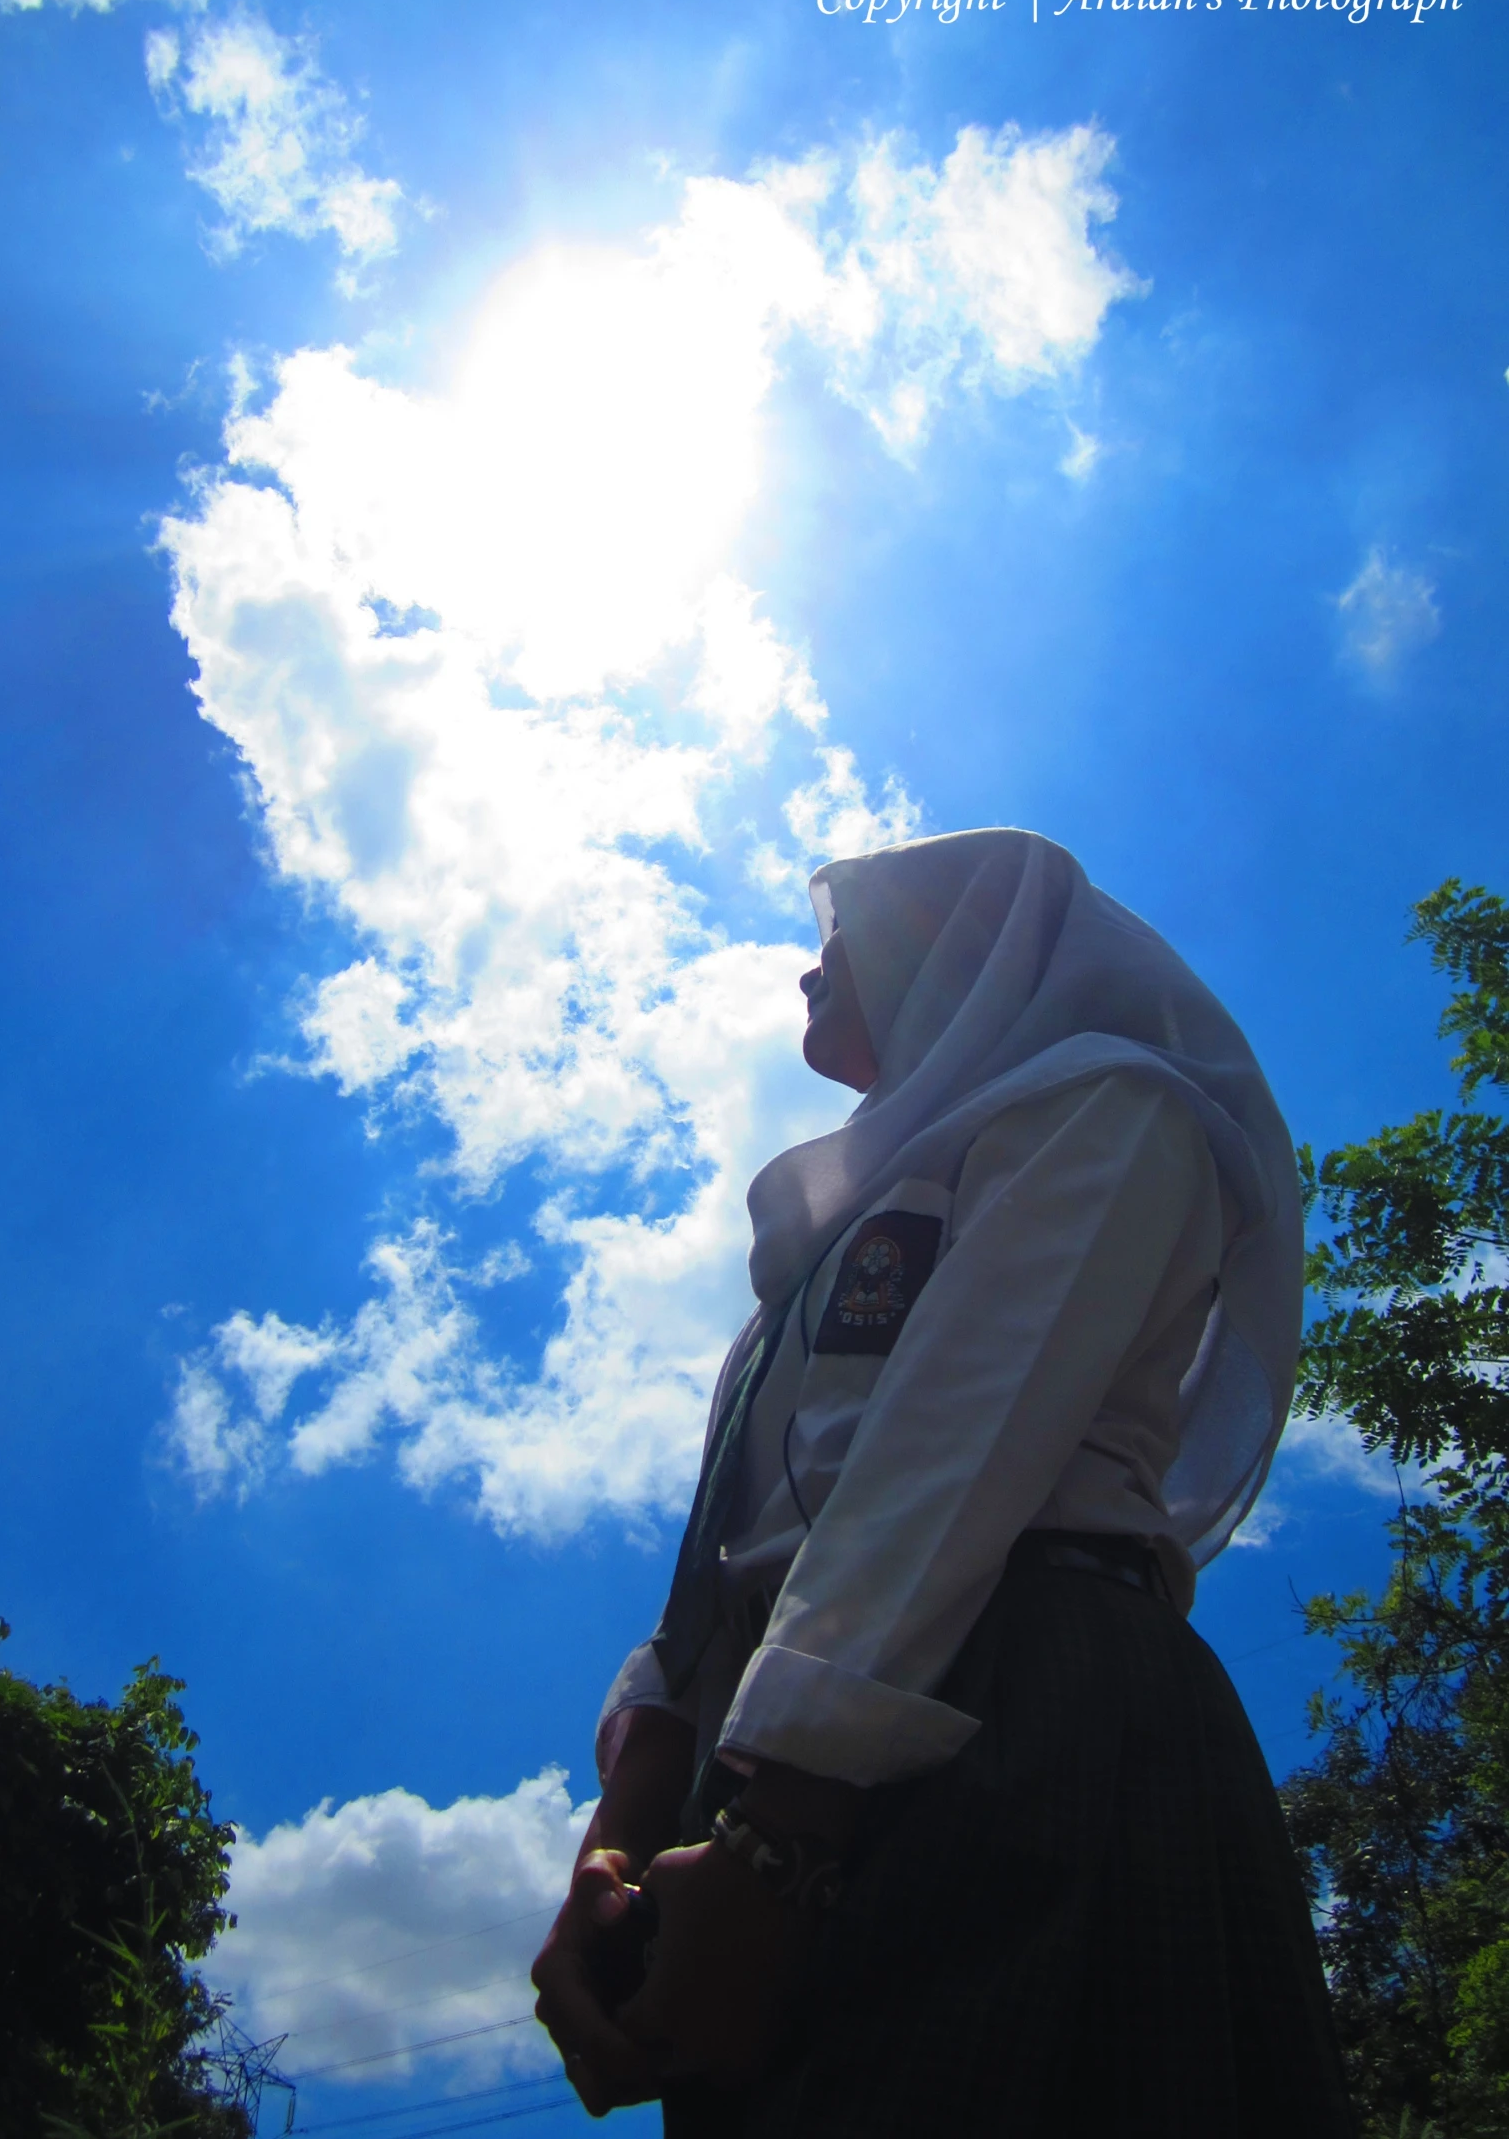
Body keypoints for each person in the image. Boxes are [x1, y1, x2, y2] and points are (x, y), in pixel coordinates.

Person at [532, 828, 1354, 2136]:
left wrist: (776, 1846)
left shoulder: (1109, 1107)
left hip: (1018, 1705)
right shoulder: (805, 1271)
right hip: (784, 1769)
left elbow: (950, 1454)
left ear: (977, 951)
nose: (812, 971)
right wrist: (621, 1845)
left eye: (847, 939)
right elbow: (725, 1571)